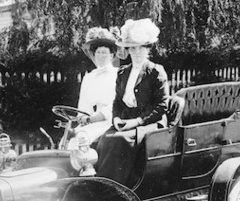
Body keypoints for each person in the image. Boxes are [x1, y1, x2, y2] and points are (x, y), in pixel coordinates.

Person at [95, 18, 168, 187]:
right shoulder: (123, 73)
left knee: (119, 141)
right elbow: (117, 103)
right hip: (126, 122)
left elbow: (161, 107)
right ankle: (99, 182)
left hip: (150, 123)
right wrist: (116, 119)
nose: (136, 52)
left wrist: (136, 122)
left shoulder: (156, 72)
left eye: (140, 48)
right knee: (102, 139)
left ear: (148, 48)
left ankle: (113, 188)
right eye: (132, 48)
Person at [67, 27, 119, 149]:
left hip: (108, 122)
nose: (101, 56)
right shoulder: (89, 78)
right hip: (89, 122)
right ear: (94, 55)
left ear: (111, 55)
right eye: (98, 53)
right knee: (68, 140)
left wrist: (93, 119)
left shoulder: (117, 75)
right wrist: (83, 118)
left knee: (82, 138)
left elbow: (114, 104)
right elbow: (83, 105)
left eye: (104, 53)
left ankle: (88, 166)